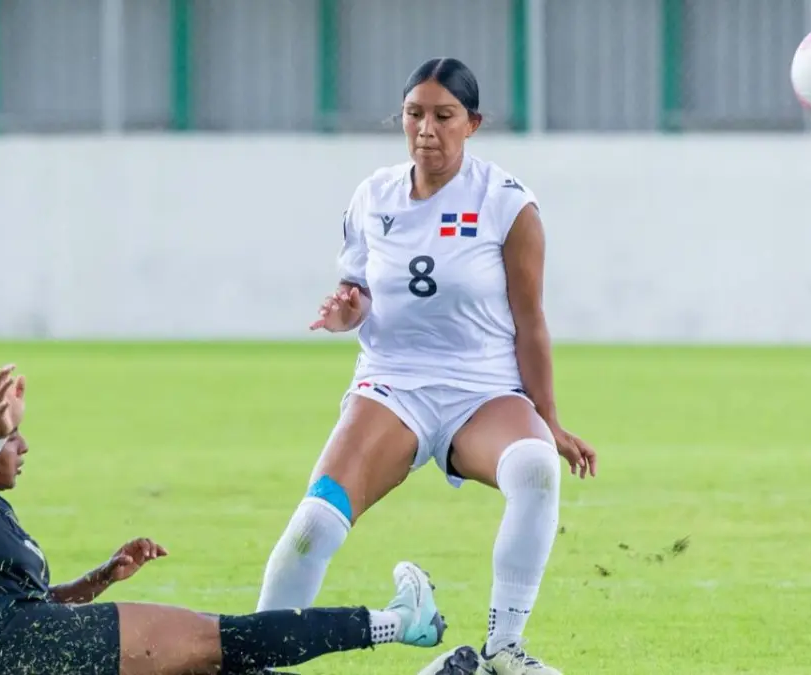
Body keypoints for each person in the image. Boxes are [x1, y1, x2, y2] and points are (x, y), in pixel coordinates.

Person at [253, 57, 599, 675]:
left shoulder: (508, 204)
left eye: (444, 116)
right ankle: (257, 662)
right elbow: (355, 290)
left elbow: (532, 321)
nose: (427, 130)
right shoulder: (373, 196)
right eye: (415, 115)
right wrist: (345, 312)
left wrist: (550, 419)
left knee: (537, 469)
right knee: (314, 526)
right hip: (392, 388)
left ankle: (503, 650)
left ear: (473, 124)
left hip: (483, 392)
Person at [0, 364, 452, 675]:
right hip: (21, 649)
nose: (23, 446)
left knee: (215, 668)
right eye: (13, 436)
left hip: (29, 649)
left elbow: (32, 603)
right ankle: (402, 623)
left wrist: (101, 577)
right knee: (225, 641)